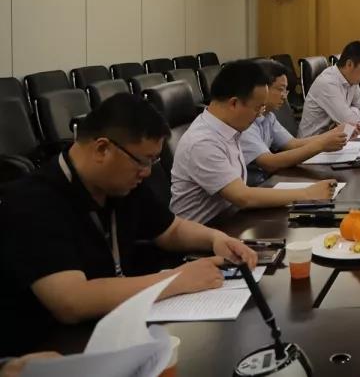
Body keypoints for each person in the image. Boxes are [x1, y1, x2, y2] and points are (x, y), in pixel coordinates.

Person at [0, 94, 257, 356]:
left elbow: (171, 230)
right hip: (51, 349)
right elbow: (71, 301)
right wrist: (175, 280)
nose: (147, 172)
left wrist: (215, 238)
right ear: (102, 149)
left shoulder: (120, 183)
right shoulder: (32, 201)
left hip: (114, 325)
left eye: (153, 161)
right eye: (143, 161)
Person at [171, 61, 336, 224]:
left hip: (231, 219)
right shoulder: (203, 142)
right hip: (206, 231)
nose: (259, 115)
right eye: (257, 108)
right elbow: (242, 197)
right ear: (234, 103)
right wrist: (307, 194)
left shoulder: (228, 127)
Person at [240, 60, 348, 179]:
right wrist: (321, 145)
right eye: (280, 89)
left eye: (285, 90)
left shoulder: (268, 116)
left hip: (266, 179)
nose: (284, 96)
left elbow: (293, 144)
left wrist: (334, 134)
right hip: (255, 184)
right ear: (262, 88)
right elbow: (269, 163)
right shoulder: (244, 122)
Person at [298, 41, 360, 137]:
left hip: (334, 139)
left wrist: (352, 112)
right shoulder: (328, 83)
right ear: (349, 64)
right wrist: (353, 113)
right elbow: (348, 121)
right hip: (311, 142)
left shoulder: (352, 79)